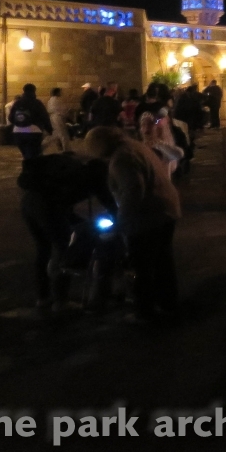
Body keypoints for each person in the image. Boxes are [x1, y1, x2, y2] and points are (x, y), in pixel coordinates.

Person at [85, 127, 181, 322]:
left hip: (149, 215)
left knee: (142, 266)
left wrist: (120, 223)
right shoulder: (133, 146)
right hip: (166, 208)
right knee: (163, 261)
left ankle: (145, 312)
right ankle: (168, 304)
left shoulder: (122, 158)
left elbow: (132, 191)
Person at [16, 151, 113, 310]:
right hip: (46, 208)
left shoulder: (70, 173)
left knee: (43, 249)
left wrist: (77, 221)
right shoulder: (96, 178)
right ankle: (61, 302)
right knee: (63, 249)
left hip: (28, 203)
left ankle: (43, 297)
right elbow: (109, 203)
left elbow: (65, 206)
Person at [9, 84, 54, 160]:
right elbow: (44, 117)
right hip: (34, 131)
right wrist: (49, 129)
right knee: (34, 155)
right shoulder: (37, 103)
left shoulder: (17, 103)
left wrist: (19, 124)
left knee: (26, 156)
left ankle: (27, 169)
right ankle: (33, 170)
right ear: (34, 91)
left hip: (18, 132)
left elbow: (11, 118)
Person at [47, 87, 71, 152]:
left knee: (56, 134)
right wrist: (67, 113)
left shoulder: (50, 100)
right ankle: (66, 150)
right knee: (63, 134)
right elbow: (63, 109)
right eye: (60, 92)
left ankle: (42, 146)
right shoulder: (58, 100)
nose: (61, 93)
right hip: (58, 117)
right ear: (57, 92)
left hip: (53, 117)